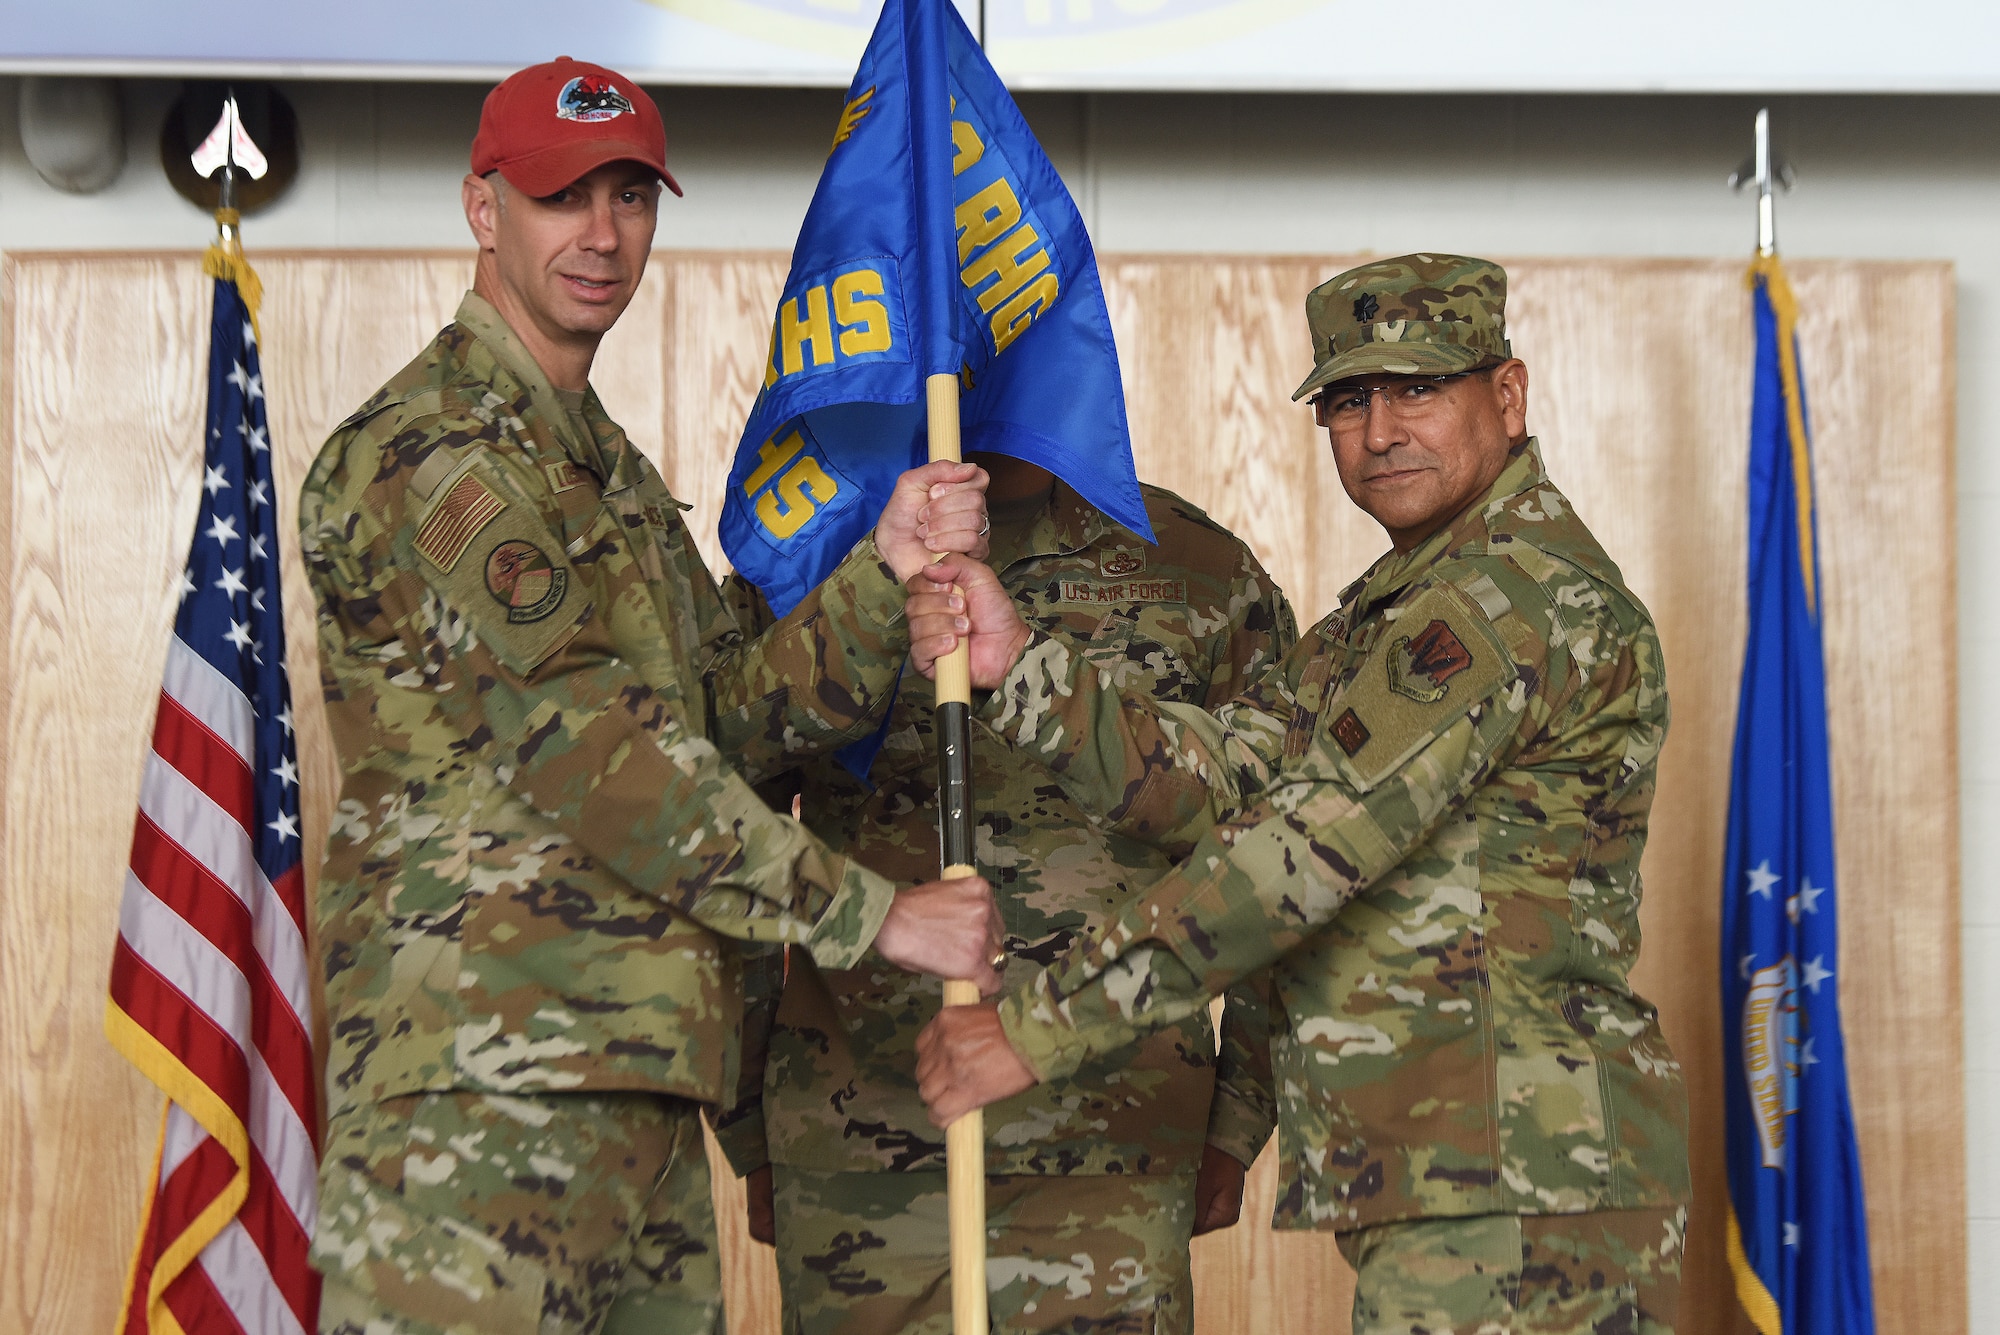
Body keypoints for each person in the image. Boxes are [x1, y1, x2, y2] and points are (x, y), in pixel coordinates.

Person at [297, 57, 1003, 1335]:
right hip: (481, 1089)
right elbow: (592, 751)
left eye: (631, 196)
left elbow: (720, 721)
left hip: (641, 1075)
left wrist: (880, 572)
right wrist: (871, 915)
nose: (604, 235)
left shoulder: (602, 470)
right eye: (565, 197)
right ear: (481, 208)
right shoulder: (434, 454)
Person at [909, 255, 1692, 1334]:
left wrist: (1033, 1030)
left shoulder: (1505, 602)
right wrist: (1017, 666)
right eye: (1345, 400)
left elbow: (1294, 858)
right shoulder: (1386, 618)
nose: (1377, 432)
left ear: (1504, 397)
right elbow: (1221, 792)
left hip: (1517, 1186)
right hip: (1459, 1177)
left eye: (1417, 387)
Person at [712, 456, 1295, 1334]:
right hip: (859, 1145)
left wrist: (1240, 1115)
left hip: (1114, 1144)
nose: (974, 329)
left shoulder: (1199, 568)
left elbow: (1278, 842)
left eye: (998, 309)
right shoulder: (799, 559)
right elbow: (721, 815)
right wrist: (746, 1122)